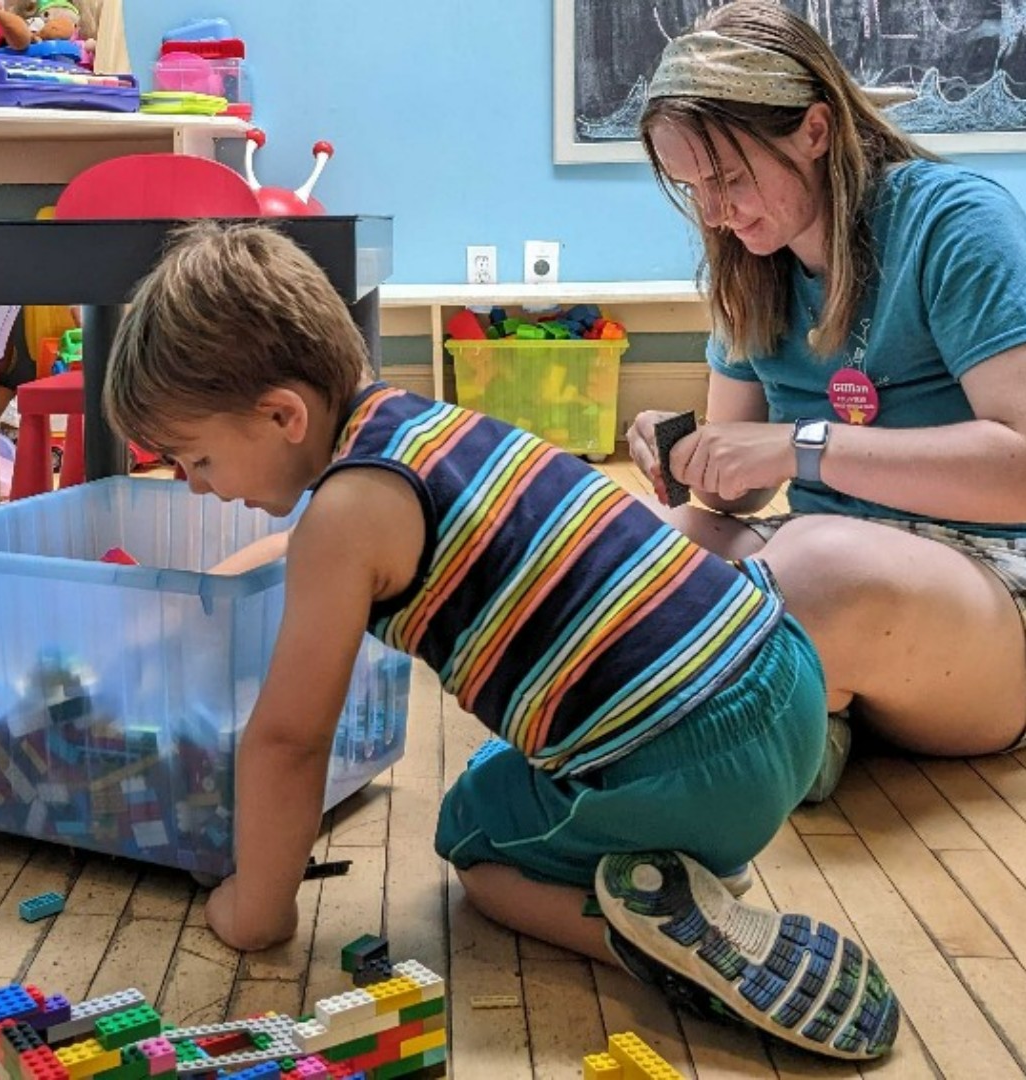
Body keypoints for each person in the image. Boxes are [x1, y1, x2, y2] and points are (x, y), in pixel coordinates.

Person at [103, 220, 899, 1062]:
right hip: (788, 678)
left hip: (692, 766)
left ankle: (647, 940)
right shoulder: (423, 428)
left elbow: (290, 740)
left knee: (476, 841)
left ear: (282, 415)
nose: (195, 488)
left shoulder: (344, 517)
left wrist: (254, 908)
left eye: (196, 461)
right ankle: (683, 869)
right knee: (506, 770)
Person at [626, 0, 1026, 802]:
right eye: (690, 187)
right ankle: (809, 710)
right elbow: (728, 497)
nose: (714, 212)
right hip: (814, 561)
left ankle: (776, 714)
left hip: (990, 590)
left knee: (816, 564)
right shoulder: (749, 265)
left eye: (730, 178)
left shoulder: (953, 221)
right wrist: (694, 453)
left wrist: (802, 443)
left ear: (814, 130)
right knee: (636, 540)